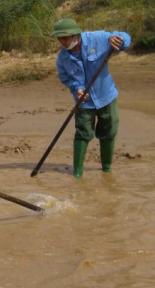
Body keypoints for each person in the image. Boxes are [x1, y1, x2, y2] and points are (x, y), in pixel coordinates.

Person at [51, 18, 130, 178]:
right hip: (84, 103)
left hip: (106, 96)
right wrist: (77, 88)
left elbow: (125, 39)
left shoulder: (98, 38)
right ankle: (77, 173)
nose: (62, 42)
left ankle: (106, 169)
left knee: (109, 132)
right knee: (83, 133)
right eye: (59, 39)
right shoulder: (62, 58)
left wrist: (115, 39)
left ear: (75, 35)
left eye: (64, 38)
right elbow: (66, 78)